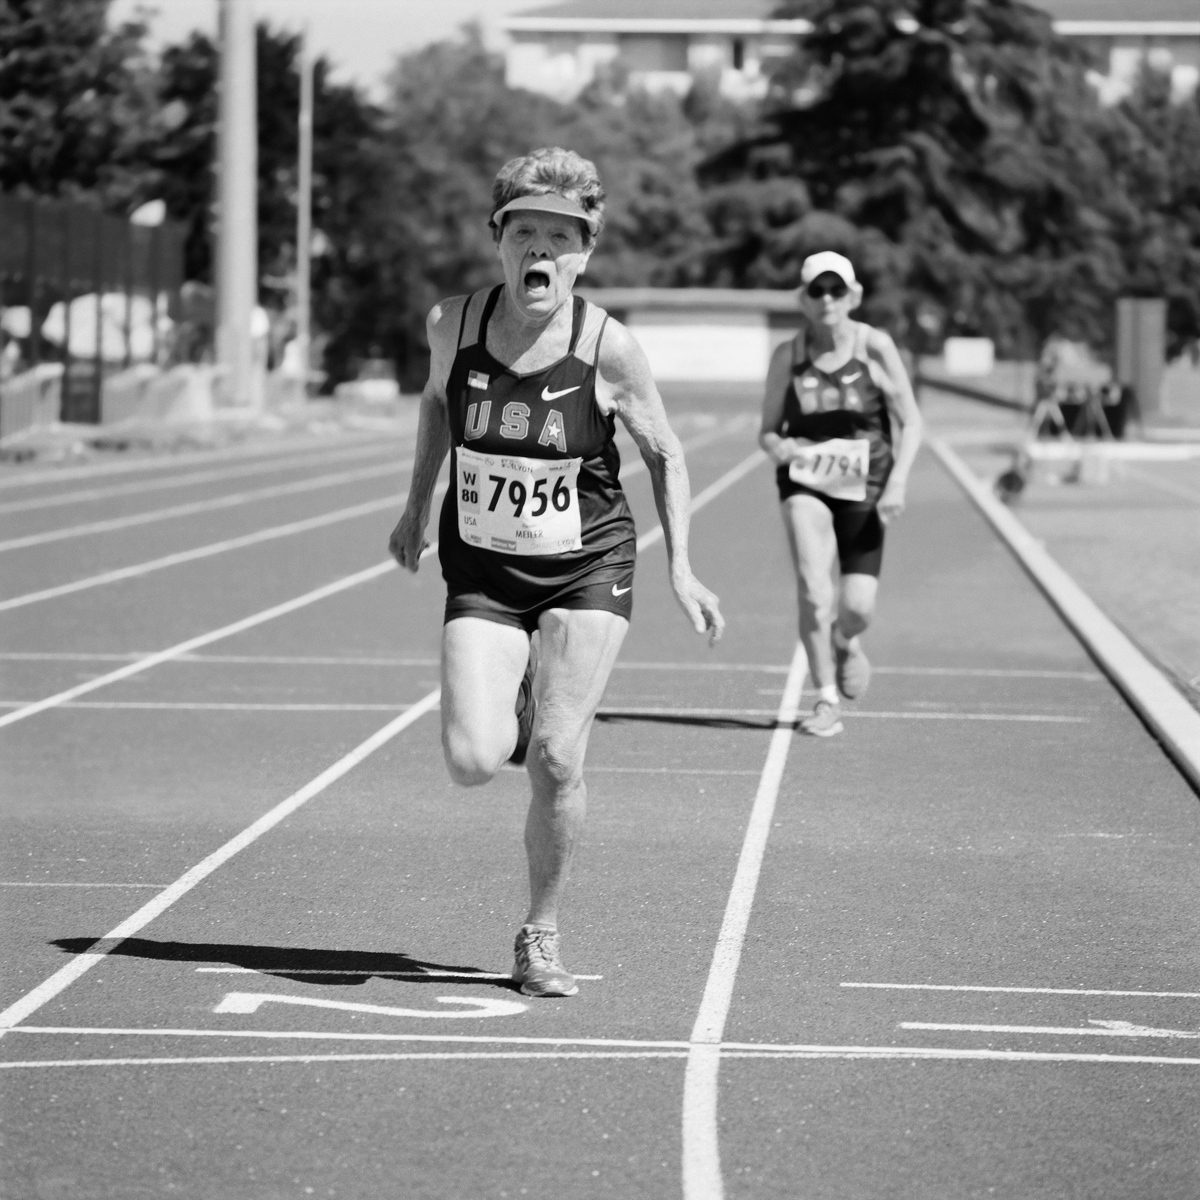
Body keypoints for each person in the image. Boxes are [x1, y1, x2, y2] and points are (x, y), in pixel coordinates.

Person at [388, 147, 724, 997]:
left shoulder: (608, 347)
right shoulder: (451, 327)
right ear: (498, 240)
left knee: (557, 761)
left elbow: (666, 453)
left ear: (586, 252)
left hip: (586, 565)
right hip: (486, 570)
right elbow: (435, 406)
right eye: (526, 231)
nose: (542, 250)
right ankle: (531, 702)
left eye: (561, 237)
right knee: (472, 757)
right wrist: (415, 506)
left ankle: (538, 935)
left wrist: (682, 568)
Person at [760, 251, 922, 737]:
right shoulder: (788, 355)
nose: (826, 299)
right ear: (803, 299)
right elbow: (767, 432)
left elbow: (911, 421)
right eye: (817, 290)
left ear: (853, 296)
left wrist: (897, 481)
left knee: (857, 606)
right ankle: (826, 699)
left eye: (836, 290)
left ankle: (845, 640)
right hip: (806, 481)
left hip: (867, 483)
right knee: (814, 589)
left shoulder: (875, 347)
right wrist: (781, 447)